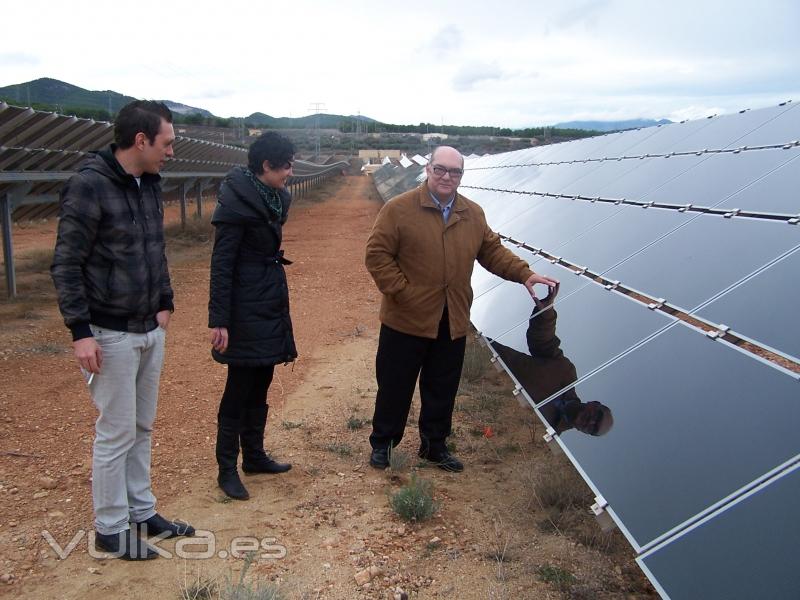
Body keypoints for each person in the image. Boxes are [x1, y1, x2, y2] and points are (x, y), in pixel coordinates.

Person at [51, 100, 194, 561]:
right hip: (108, 332)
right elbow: (66, 263)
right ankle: (110, 528)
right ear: (141, 140)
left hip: (149, 327)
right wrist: (80, 331)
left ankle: (141, 511)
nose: (171, 152)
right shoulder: (89, 186)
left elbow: (156, 249)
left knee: (141, 426)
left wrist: (166, 301)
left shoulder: (148, 184)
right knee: (115, 433)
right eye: (166, 143)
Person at [364, 146, 559, 472]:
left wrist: (524, 273)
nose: (446, 177)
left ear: (461, 176)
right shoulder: (398, 210)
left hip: (451, 317)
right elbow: (377, 256)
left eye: (454, 172)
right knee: (395, 385)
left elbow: (492, 251)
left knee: (442, 386)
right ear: (428, 169)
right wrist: (402, 292)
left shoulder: (471, 213)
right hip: (405, 318)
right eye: (440, 169)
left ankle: (434, 446)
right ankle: (383, 443)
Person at [208, 132, 296, 501]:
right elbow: (222, 263)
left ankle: (255, 456)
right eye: (286, 165)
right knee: (240, 385)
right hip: (244, 305)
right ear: (266, 166)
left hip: (268, 297)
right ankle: (226, 468)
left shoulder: (275, 198)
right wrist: (219, 319)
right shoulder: (236, 203)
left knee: (263, 377)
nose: (291, 171)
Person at [493, 283, 614, 436]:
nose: (590, 422)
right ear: (594, 404)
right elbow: (542, 342)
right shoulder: (566, 373)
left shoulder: (546, 432)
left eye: (593, 428)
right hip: (481, 353)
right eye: (597, 417)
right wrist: (546, 314)